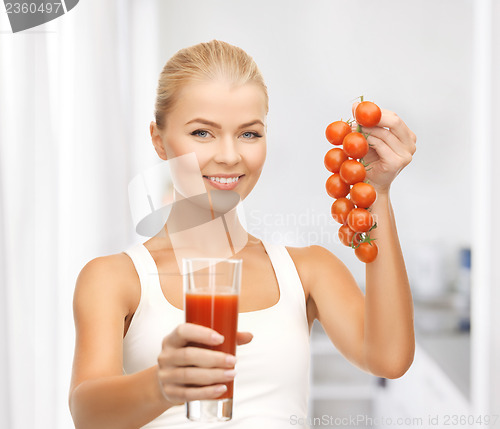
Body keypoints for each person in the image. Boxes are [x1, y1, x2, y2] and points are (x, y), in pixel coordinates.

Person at [68, 39, 416, 429]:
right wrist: (161, 385)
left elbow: (389, 359)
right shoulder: (116, 278)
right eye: (202, 133)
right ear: (159, 141)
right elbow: (87, 414)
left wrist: (378, 192)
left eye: (249, 134)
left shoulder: (307, 271)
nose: (230, 156)